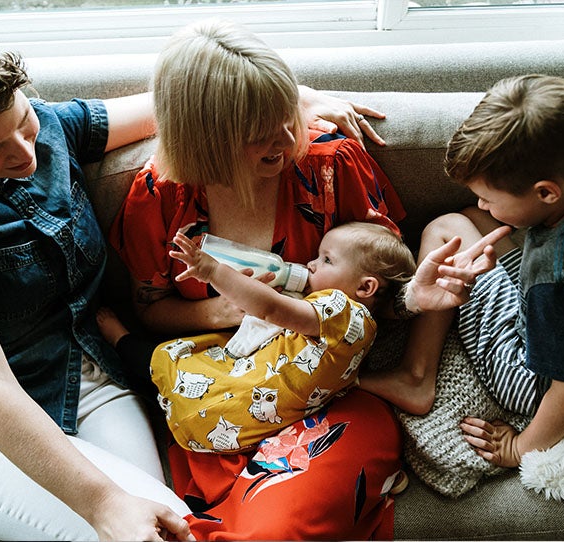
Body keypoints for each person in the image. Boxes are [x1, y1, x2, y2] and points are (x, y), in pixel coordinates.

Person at [0, 12, 392, 541]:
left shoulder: (52, 125)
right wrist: (102, 504)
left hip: (92, 385)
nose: (26, 154)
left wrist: (283, 99)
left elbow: (186, 103)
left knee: (175, 529)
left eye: (24, 122)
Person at [109, 18, 507, 539]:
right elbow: (151, 308)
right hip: (223, 401)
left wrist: (412, 296)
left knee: (276, 530)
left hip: (333, 401)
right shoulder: (161, 198)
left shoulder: (329, 167)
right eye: (259, 134)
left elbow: (375, 298)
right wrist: (218, 311)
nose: (284, 141)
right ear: (206, 135)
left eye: (287, 117)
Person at [420, 74, 564, 468]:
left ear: (546, 192)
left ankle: (416, 374)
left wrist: (518, 448)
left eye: (490, 196)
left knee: (446, 228)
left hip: (530, 377)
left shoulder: (556, 281)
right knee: (473, 220)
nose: (482, 202)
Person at [99, 222, 416, 453]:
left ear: (365, 289)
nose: (310, 263)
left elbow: (269, 308)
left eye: (327, 260)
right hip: (229, 432)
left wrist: (213, 271)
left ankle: (120, 341)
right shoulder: (359, 336)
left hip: (214, 399)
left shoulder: (342, 310)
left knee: (168, 358)